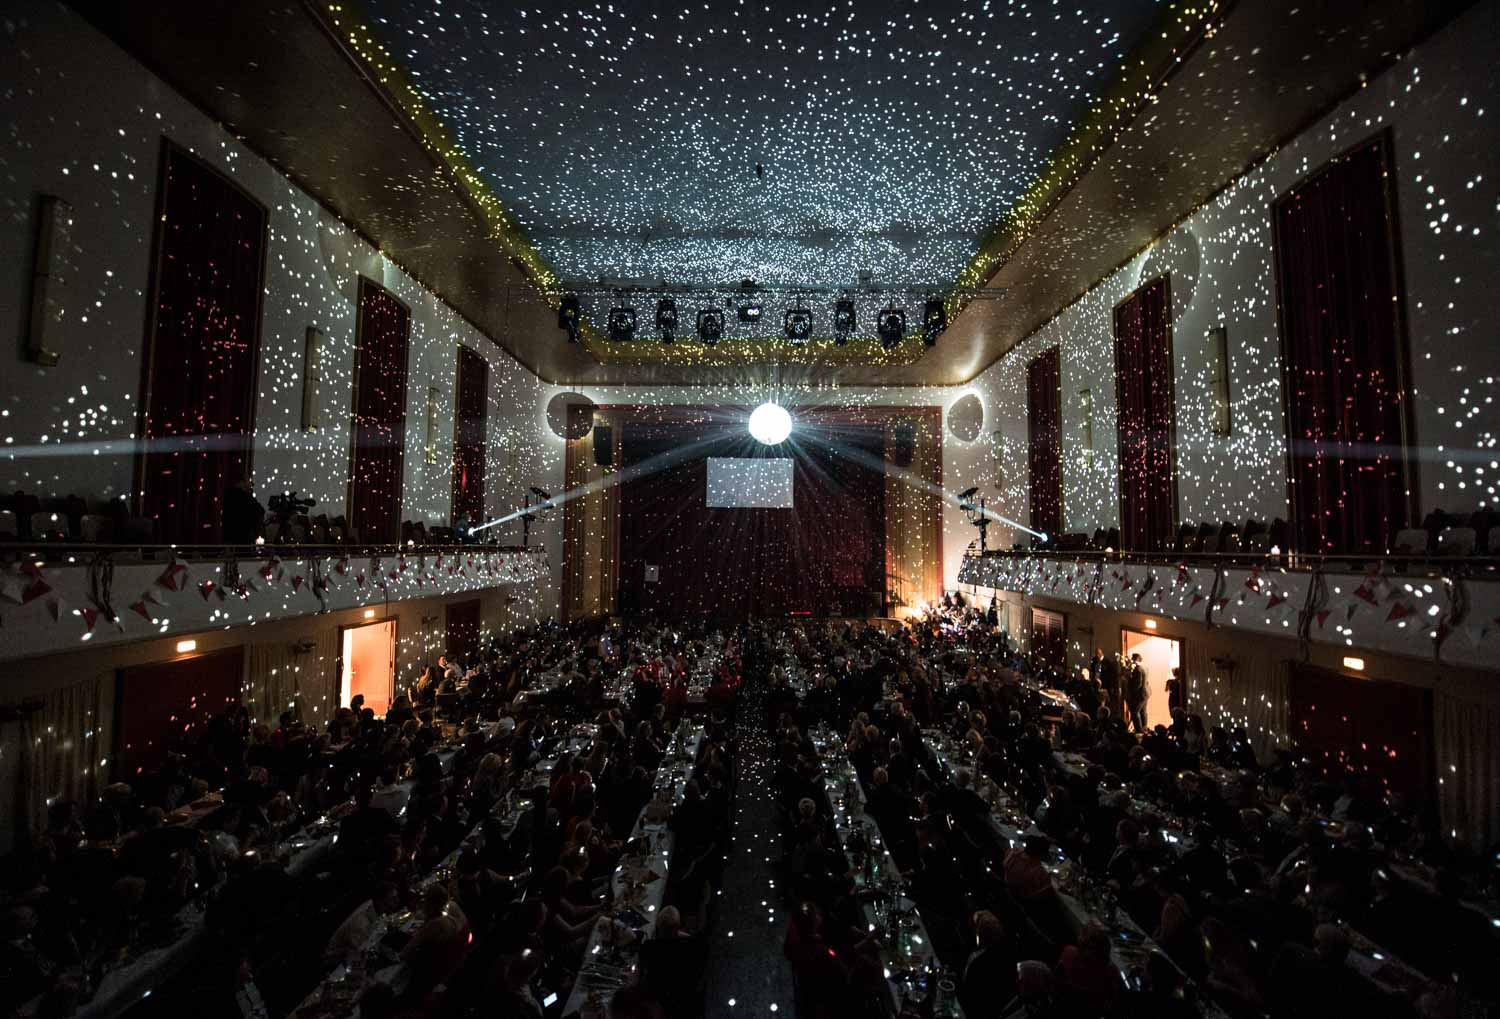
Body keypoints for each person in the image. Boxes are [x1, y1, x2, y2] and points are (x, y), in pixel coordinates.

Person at [638, 906, 707, 1018]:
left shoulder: (649, 947)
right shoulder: (693, 947)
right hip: (684, 1001)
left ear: (658, 927)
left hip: (656, 1001)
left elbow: (641, 974)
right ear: (678, 926)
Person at [323, 881, 401, 963]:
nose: (397, 901)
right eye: (393, 899)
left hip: (353, 953)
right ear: (380, 900)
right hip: (334, 963)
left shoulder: (374, 907)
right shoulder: (361, 923)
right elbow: (357, 954)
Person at [223, 471, 265, 545]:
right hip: (244, 539)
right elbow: (260, 510)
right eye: (248, 480)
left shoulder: (228, 495)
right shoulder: (245, 497)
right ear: (242, 482)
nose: (251, 484)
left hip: (230, 539)